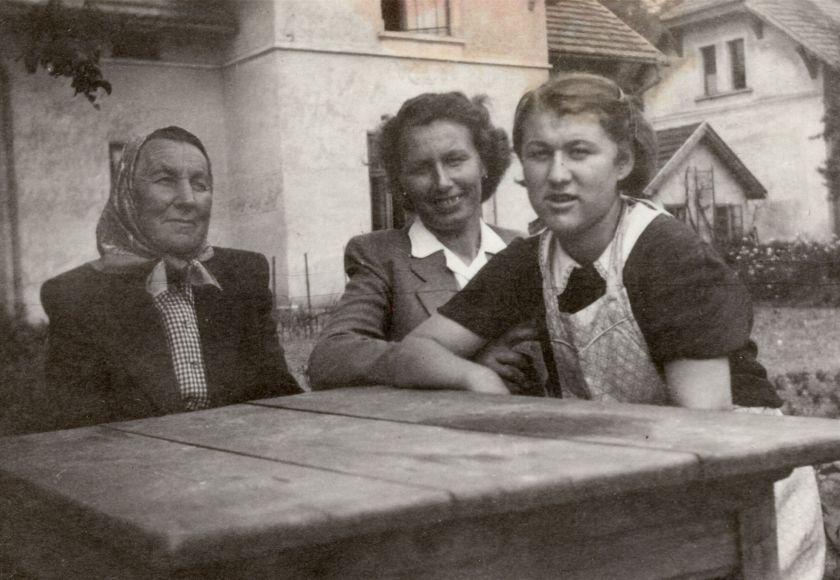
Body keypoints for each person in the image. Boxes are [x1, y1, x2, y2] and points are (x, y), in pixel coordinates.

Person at [381, 73, 825, 578]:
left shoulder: (668, 257)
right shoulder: (529, 262)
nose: (557, 174)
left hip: (742, 489)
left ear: (623, 162)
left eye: (579, 152)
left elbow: (703, 428)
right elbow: (413, 352)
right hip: (636, 481)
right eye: (539, 154)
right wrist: (475, 377)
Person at [41, 126, 301, 431]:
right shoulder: (78, 296)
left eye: (200, 184)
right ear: (127, 194)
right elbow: (77, 431)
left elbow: (278, 394)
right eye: (165, 180)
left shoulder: (243, 275)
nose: (188, 199)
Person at [308, 92, 539, 390]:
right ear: (400, 181)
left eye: (455, 161)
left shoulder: (523, 248)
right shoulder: (382, 256)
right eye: (420, 168)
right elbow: (330, 357)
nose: (442, 182)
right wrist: (452, 366)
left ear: (484, 164)